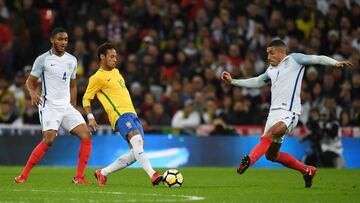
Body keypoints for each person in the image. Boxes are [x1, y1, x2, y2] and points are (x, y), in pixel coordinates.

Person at [221, 39, 353, 188]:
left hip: (289, 113)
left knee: (269, 135)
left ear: (282, 52)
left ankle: (248, 160)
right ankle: (307, 170)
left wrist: (335, 63)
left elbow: (318, 58)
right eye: (267, 54)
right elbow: (257, 82)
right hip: (273, 115)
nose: (268, 57)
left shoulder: (294, 59)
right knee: (271, 156)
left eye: (271, 53)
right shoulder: (270, 70)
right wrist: (233, 82)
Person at [14, 28, 92, 184]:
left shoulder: (72, 60)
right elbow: (29, 81)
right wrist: (33, 93)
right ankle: (23, 176)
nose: (63, 42)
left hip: (66, 106)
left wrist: (73, 106)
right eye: (60, 39)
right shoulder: (43, 60)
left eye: (66, 39)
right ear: (52, 40)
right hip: (48, 105)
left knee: (86, 135)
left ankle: (79, 177)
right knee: (49, 140)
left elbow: (73, 85)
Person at [82, 43, 163, 187]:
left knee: (136, 152)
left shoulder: (116, 72)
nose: (115, 59)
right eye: (111, 56)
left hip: (132, 114)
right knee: (136, 140)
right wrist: (91, 118)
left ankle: (103, 173)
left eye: (116, 57)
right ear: (102, 57)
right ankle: (153, 174)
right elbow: (86, 99)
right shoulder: (96, 78)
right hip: (119, 115)